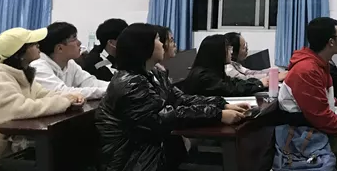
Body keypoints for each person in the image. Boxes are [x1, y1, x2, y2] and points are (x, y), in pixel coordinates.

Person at [96, 23, 249, 171]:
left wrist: (222, 104)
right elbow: (163, 118)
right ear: (144, 46)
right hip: (135, 161)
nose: (162, 44)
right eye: (157, 39)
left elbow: (180, 99)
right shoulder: (129, 84)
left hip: (155, 153)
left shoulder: (154, 73)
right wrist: (218, 114)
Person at [0, 27, 83, 170]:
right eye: (32, 44)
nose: (38, 46)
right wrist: (65, 101)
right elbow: (21, 108)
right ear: (20, 53)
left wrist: (71, 97)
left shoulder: (21, 74)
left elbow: (44, 94)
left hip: (3, 154)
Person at [278, 18, 337, 171]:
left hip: (322, 129)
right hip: (312, 138)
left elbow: (330, 105)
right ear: (331, 42)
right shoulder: (306, 71)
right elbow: (322, 119)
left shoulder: (320, 64)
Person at [30, 22, 109, 100]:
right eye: (74, 39)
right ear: (60, 48)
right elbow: (63, 92)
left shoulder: (69, 63)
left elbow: (89, 82)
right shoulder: (38, 67)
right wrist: (107, 91)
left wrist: (113, 87)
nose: (79, 43)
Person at [183, 34, 266, 97]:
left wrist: (258, 83)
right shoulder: (204, 76)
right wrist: (259, 84)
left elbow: (234, 83)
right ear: (218, 52)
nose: (231, 52)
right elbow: (231, 90)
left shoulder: (215, 71)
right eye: (228, 49)